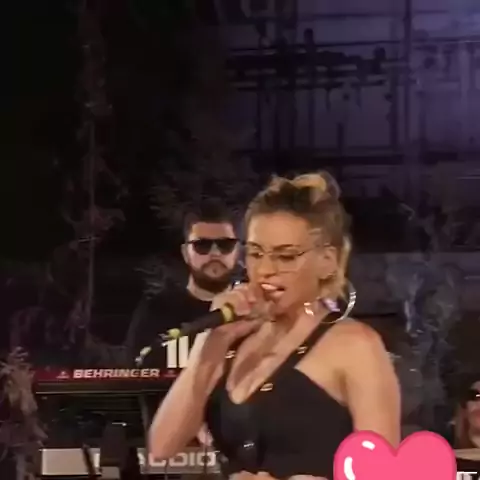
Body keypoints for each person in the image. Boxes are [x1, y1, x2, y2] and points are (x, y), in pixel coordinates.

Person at [149, 171, 401, 480]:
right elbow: (162, 447)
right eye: (256, 254)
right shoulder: (231, 341)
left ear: (327, 261)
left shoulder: (355, 345)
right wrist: (211, 345)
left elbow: (384, 473)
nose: (266, 270)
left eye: (286, 257)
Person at [126, 199, 241, 366]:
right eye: (202, 245)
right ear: (185, 253)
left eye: (225, 244)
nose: (215, 253)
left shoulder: (254, 311)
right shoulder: (155, 312)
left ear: (237, 251)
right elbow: (133, 374)